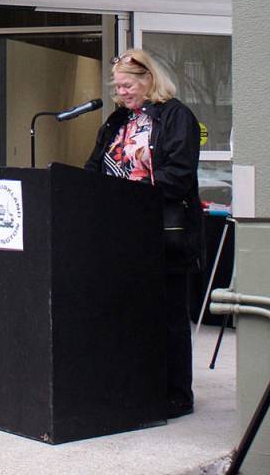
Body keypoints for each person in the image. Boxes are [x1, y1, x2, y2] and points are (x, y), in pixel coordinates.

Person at [83, 48, 202, 419]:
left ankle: (176, 394)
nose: (122, 93)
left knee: (168, 316)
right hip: (119, 234)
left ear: (149, 79)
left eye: (128, 85)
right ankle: (131, 385)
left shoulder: (176, 117)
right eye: (117, 87)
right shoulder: (117, 121)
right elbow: (95, 167)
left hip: (161, 233)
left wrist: (134, 196)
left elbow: (179, 176)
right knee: (124, 313)